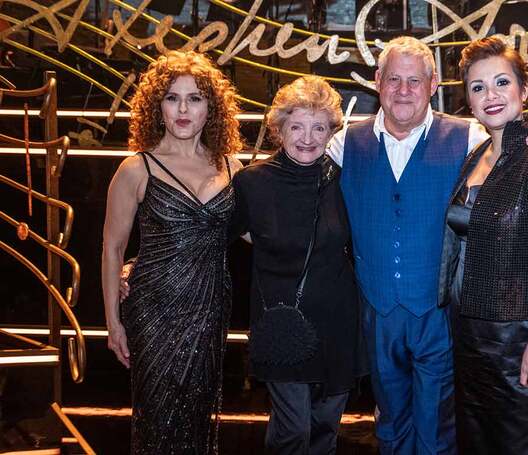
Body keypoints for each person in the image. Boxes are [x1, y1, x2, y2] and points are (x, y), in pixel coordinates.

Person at [326, 36, 528, 454]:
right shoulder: (344, 143)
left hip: (441, 314)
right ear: (377, 82)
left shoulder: (471, 139)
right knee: (389, 426)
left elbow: (517, 155)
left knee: (438, 430)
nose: (404, 90)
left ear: (433, 86)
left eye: (415, 81)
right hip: (377, 312)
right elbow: (297, 177)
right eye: (394, 79)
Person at [441, 36, 528, 454]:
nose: (491, 95)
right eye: (478, 87)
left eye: (502, 82)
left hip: (522, 337)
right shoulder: (478, 154)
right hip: (474, 335)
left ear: (525, 90)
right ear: (468, 99)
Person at [101, 50, 243, 454]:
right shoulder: (136, 169)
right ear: (155, 107)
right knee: (158, 418)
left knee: (198, 416)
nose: (183, 109)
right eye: (171, 97)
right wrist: (113, 322)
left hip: (208, 310)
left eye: (195, 98)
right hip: (151, 311)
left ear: (210, 109)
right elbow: (112, 250)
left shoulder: (233, 169)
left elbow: (265, 234)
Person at [230, 75, 366, 454]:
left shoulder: (344, 180)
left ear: (331, 132)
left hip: (337, 323)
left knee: (324, 430)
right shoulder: (252, 183)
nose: (307, 138)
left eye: (318, 127)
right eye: (297, 126)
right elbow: (215, 236)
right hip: (281, 325)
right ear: (279, 129)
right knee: (293, 432)